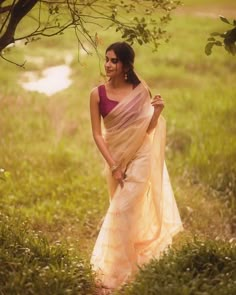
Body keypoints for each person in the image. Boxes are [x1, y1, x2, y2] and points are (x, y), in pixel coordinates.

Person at [89, 42, 183, 294]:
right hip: (115, 157)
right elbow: (98, 135)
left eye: (114, 61)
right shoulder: (97, 94)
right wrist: (113, 165)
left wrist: (157, 112)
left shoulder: (141, 91)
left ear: (127, 65)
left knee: (122, 210)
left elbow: (147, 131)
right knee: (124, 212)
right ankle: (131, 263)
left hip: (141, 155)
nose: (108, 65)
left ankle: (115, 272)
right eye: (107, 59)